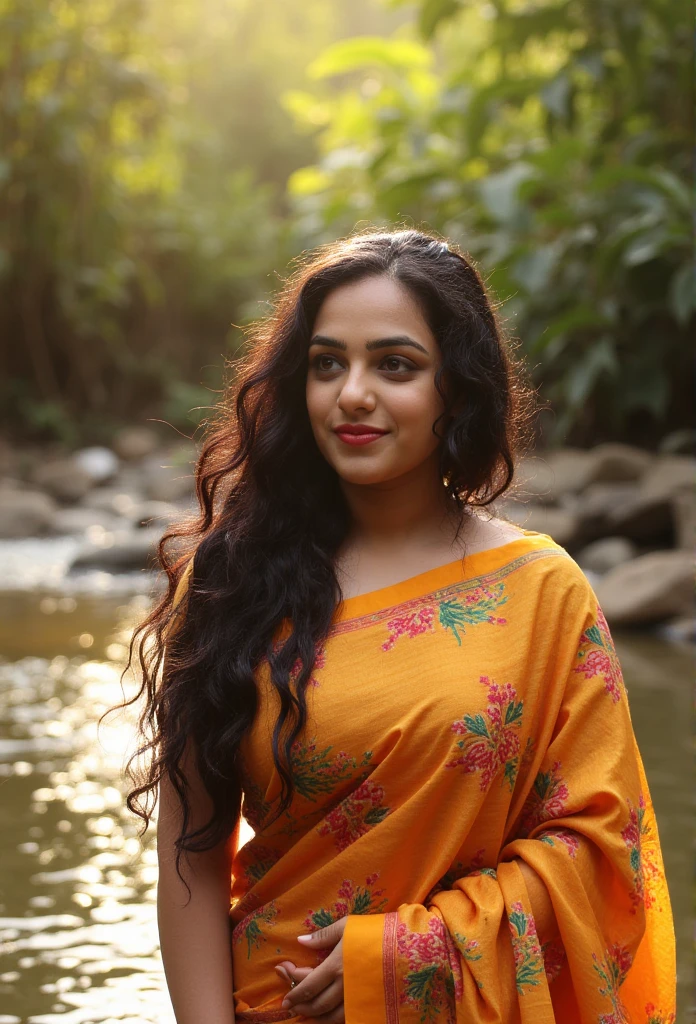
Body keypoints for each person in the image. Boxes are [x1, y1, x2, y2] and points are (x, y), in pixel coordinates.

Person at [125, 229, 676, 1024]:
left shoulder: (542, 592)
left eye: (395, 365)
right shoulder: (229, 582)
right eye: (326, 364)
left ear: (457, 387)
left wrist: (406, 960)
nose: (353, 393)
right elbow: (189, 860)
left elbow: (602, 850)